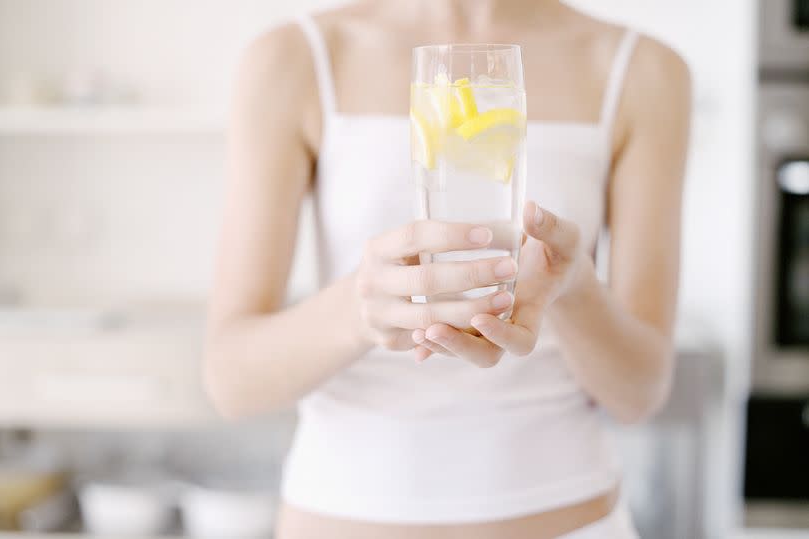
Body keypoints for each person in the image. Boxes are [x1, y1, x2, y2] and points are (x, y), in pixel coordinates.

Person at [204, 0, 690, 537]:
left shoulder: (643, 70)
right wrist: (357, 312)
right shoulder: (292, 58)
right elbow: (231, 382)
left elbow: (639, 393)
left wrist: (574, 289)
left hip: (567, 517)